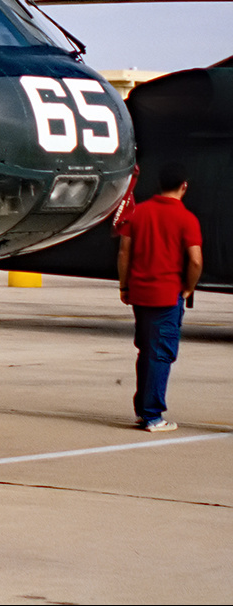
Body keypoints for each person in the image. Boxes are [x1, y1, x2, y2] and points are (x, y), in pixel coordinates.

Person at [116, 163, 203, 432]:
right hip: (167, 295)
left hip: (140, 294)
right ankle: (153, 415)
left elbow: (124, 252)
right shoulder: (187, 219)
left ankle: (143, 409)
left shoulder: (138, 213)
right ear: (184, 186)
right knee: (161, 354)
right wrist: (188, 287)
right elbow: (196, 260)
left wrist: (124, 286)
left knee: (145, 352)